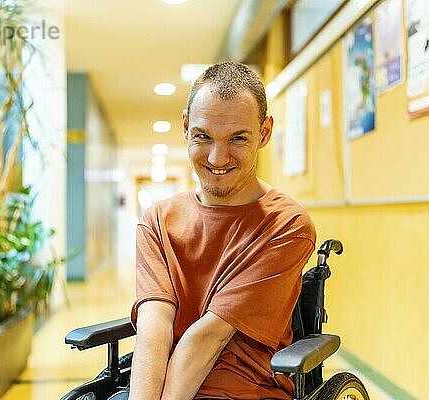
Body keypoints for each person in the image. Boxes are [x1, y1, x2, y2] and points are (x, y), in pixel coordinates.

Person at [117, 61, 316, 400]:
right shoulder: (157, 221)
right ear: (185, 126)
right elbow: (154, 328)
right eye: (203, 136)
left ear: (264, 132)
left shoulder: (286, 225)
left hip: (247, 391)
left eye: (238, 138)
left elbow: (209, 337)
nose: (217, 157)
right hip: (165, 386)